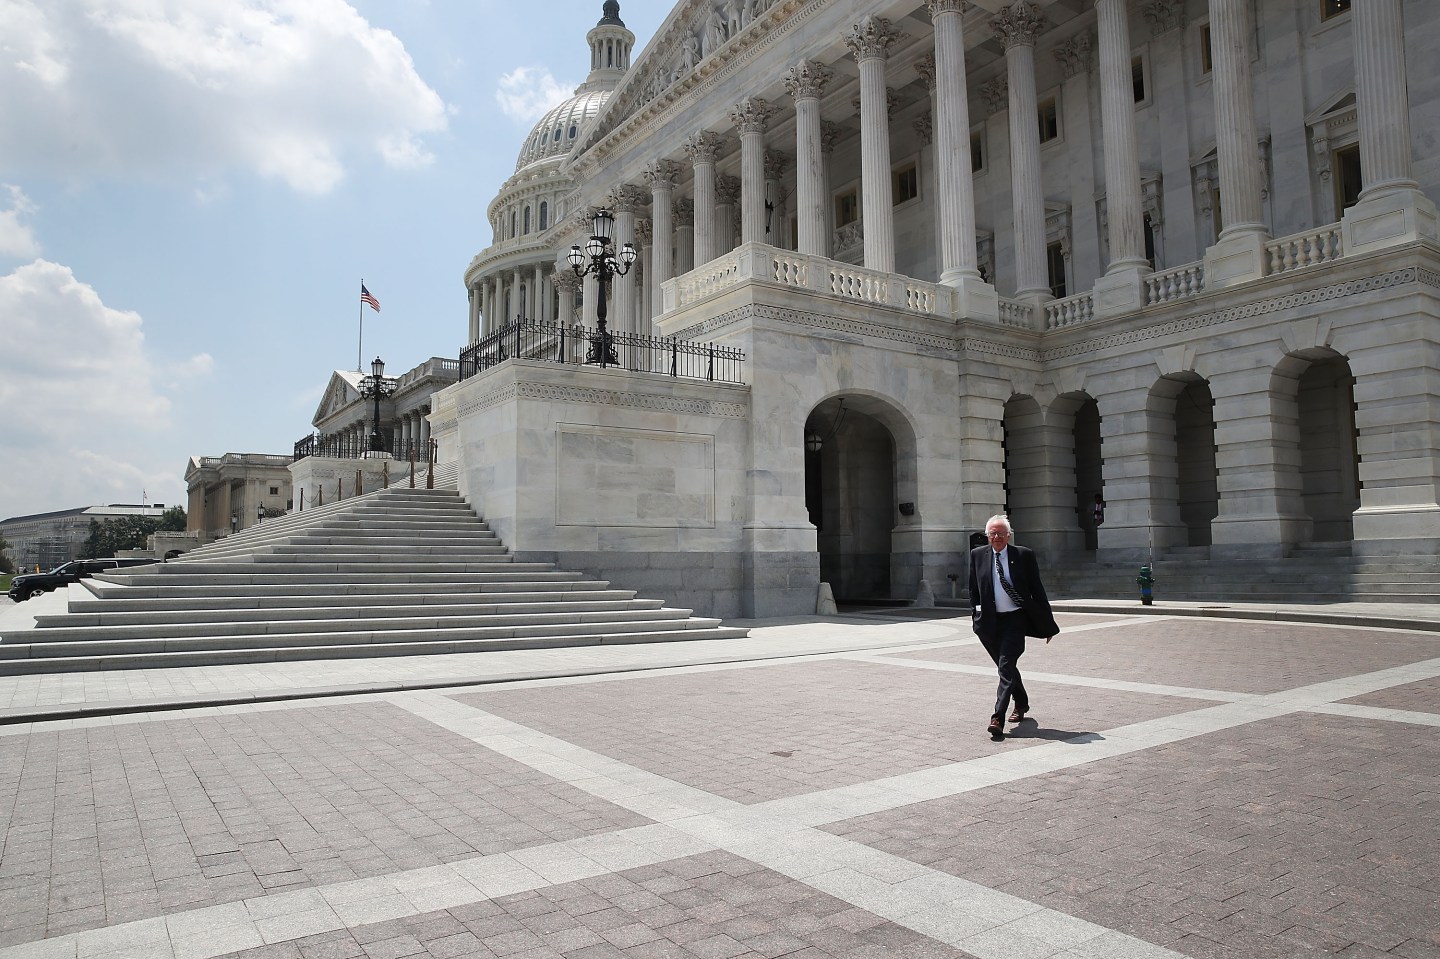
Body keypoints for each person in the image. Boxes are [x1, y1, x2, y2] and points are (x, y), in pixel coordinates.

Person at [968, 515, 1059, 738]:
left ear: (1009, 535)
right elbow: (973, 589)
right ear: (987, 536)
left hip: (1015, 620)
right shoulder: (977, 555)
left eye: (1001, 533)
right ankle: (1022, 702)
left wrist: (1048, 624)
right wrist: (976, 616)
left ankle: (997, 717)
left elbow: (1037, 589)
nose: (997, 537)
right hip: (989, 623)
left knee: (1006, 666)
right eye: (993, 533)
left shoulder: (1023, 555)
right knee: (1005, 668)